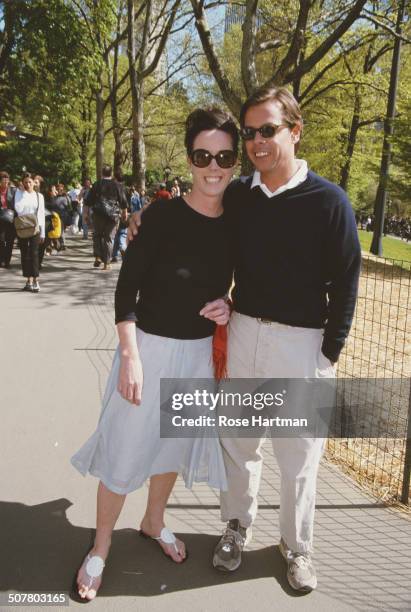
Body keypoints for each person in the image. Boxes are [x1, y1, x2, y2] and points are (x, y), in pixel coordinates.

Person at [128, 86, 362, 593]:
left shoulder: (330, 201)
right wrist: (151, 212)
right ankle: (235, 526)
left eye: (267, 130)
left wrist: (328, 356)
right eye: (250, 131)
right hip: (243, 333)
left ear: (294, 131)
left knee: (299, 456)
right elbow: (199, 217)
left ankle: (297, 547)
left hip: (303, 345)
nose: (256, 141)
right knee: (239, 445)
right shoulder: (239, 196)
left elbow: (347, 284)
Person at [70, 107, 238, 601]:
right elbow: (126, 292)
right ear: (189, 158)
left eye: (224, 155)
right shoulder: (161, 215)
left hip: (199, 356)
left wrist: (230, 302)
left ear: (234, 161)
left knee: (172, 447)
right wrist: (131, 357)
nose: (214, 165)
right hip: (150, 350)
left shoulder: (238, 221)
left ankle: (153, 520)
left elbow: (239, 280)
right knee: (125, 446)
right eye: (203, 154)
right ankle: (100, 546)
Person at [86, 164, 128, 271]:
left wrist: (86, 214)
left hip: (98, 214)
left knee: (97, 235)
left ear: (102, 173)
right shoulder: (117, 185)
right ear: (111, 173)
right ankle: (107, 263)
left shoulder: (96, 184)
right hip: (112, 216)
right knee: (109, 238)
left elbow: (88, 201)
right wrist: (124, 213)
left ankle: (98, 256)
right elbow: (123, 201)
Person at [14, 173, 46, 292]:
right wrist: (23, 194)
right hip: (22, 227)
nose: (28, 184)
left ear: (34, 182)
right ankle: (28, 280)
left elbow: (41, 214)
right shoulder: (19, 193)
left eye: (30, 182)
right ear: (23, 183)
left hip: (35, 228)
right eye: (26, 182)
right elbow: (18, 208)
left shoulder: (39, 196)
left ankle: (36, 280)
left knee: (34, 253)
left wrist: (43, 233)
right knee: (25, 254)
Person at [0, 171, 17, 268]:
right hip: (0, 220)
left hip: (11, 219)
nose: (6, 183)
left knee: (10, 241)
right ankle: (1, 260)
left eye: (7, 181)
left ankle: (7, 262)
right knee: (1, 241)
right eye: (3, 181)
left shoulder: (13, 191)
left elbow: (16, 204)